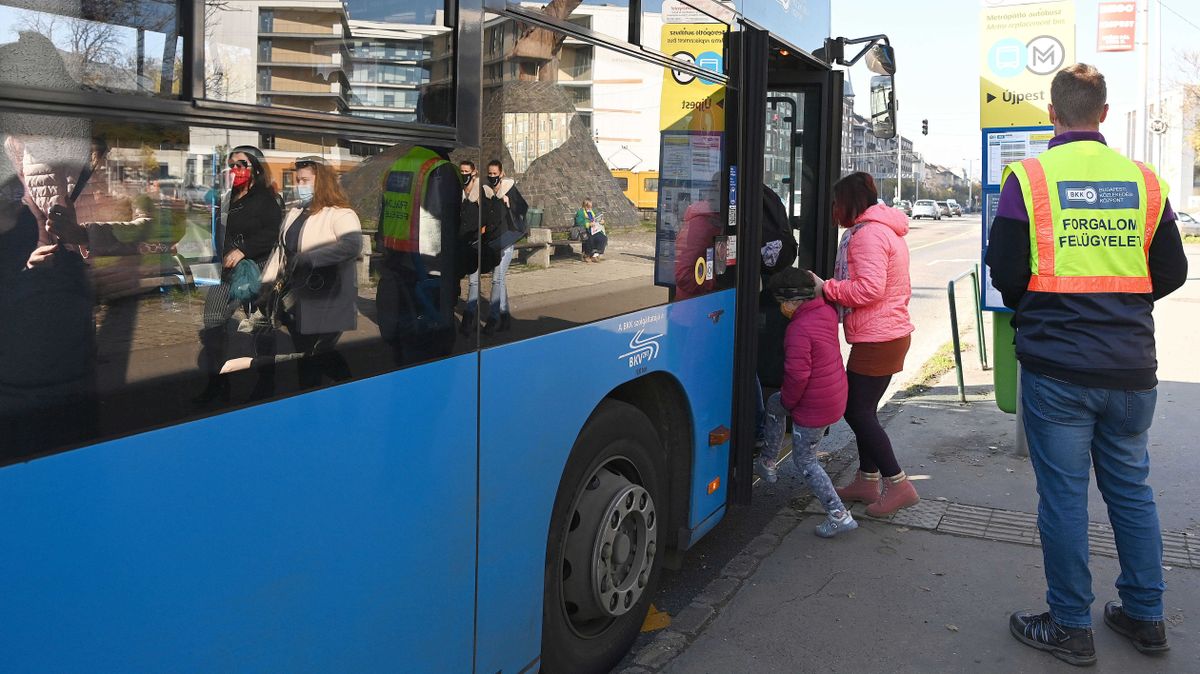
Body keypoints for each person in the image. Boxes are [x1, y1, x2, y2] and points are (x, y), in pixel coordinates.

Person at [986, 64, 1188, 666]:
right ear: (1103, 113)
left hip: (1057, 369)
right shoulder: (1145, 182)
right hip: (1131, 368)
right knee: (1131, 492)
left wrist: (1045, 309)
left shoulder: (1029, 178)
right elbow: (1172, 271)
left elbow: (1006, 271)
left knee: (1065, 499)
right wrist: (1121, 305)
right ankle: (1145, 616)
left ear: (1052, 114)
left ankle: (1071, 625)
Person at [811, 171, 918, 517]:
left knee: (856, 411)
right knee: (864, 410)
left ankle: (898, 484)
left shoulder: (867, 235)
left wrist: (826, 288)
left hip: (879, 338)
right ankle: (867, 480)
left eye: (836, 203)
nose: (833, 210)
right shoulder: (881, 229)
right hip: (885, 334)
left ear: (849, 203)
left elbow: (868, 289)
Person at [755, 268, 855, 537]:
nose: (781, 308)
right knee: (774, 404)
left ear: (792, 301)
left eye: (782, 302)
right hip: (832, 395)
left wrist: (790, 402)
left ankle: (839, 515)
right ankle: (768, 461)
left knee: (806, 462)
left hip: (813, 405)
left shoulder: (798, 330)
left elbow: (797, 376)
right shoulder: (825, 312)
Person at [259, 156, 362, 389]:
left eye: (305, 180)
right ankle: (318, 394)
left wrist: (310, 258)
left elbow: (352, 246)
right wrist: (266, 284)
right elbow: (281, 250)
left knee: (317, 353)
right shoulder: (295, 211)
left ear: (321, 182)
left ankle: (343, 390)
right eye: (298, 180)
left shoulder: (341, 214)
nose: (299, 185)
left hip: (328, 297)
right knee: (306, 353)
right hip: (295, 298)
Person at [193, 145, 282, 404]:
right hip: (226, 273)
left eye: (242, 164)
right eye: (232, 165)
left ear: (256, 168)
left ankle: (266, 382)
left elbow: (273, 233)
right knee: (212, 323)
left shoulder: (267, 199)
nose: (235, 169)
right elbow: (217, 230)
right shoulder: (227, 198)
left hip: (257, 272)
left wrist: (244, 249)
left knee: (261, 329)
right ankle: (217, 385)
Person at [375, 145, 462, 365]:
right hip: (428, 274)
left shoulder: (396, 167)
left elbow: (384, 220)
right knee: (432, 350)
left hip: (396, 266)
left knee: (403, 348)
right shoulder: (440, 169)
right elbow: (450, 231)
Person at [465, 160, 526, 335]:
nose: (492, 177)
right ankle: (505, 317)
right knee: (499, 280)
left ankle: (493, 319)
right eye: (490, 174)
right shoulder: (486, 191)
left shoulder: (510, 189)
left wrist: (509, 203)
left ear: (502, 173)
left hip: (506, 241)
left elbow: (523, 209)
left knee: (496, 279)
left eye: (495, 174)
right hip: (492, 242)